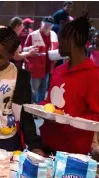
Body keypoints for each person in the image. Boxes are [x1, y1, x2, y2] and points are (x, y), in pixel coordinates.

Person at [40, 14, 99, 155]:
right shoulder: (58, 71)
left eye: (60, 41)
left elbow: (96, 116)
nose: (58, 45)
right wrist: (38, 108)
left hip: (74, 151)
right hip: (47, 142)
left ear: (70, 42)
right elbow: (50, 103)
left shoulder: (93, 75)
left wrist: (68, 120)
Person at [24, 16, 58, 103]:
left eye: (49, 25)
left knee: (43, 90)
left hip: (48, 68)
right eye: (45, 24)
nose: (47, 26)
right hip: (36, 67)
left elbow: (56, 48)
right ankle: (31, 108)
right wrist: (31, 48)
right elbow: (24, 49)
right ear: (41, 24)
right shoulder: (33, 35)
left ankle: (40, 107)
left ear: (52, 26)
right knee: (33, 90)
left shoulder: (54, 35)